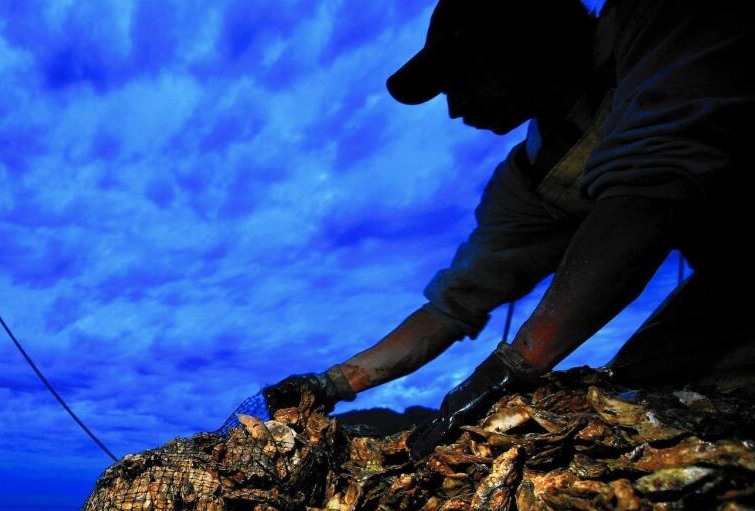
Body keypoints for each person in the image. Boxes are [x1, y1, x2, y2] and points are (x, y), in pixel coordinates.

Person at [262, 0, 754, 458]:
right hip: (731, 288)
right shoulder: (528, 179)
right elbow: (454, 304)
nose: (453, 107)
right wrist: (330, 384)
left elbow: (648, 193)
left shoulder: (661, 18)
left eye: (458, 74)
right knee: (643, 387)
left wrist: (514, 365)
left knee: (673, 406)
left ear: (519, 32)